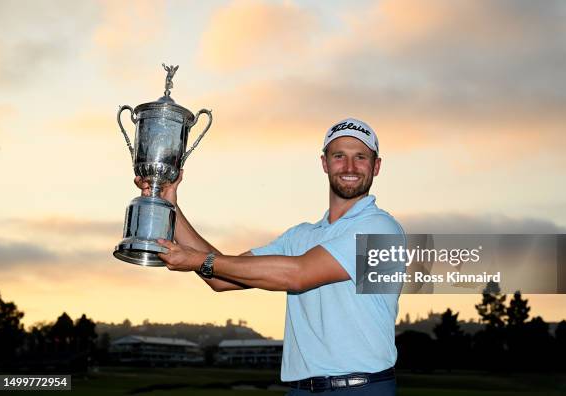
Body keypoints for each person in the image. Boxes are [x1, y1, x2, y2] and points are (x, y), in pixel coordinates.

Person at [135, 118, 405, 395]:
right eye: (339, 156)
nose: (349, 167)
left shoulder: (382, 229)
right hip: (301, 390)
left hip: (362, 388)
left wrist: (198, 261)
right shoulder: (300, 236)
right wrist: (169, 206)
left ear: (376, 166)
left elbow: (299, 274)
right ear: (324, 163)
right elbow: (222, 277)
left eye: (360, 157)